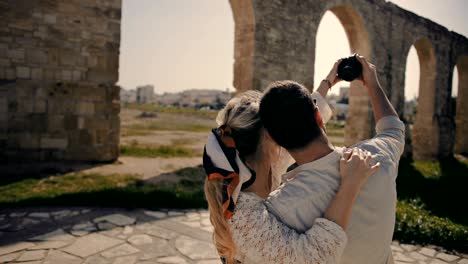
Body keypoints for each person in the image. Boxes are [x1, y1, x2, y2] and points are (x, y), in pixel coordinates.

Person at [203, 89, 380, 263]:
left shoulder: (256, 170)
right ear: (271, 139)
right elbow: (315, 259)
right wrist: (350, 185)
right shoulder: (242, 218)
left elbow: (302, 126)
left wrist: (328, 82)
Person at [260, 55, 405, 264]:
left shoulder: (282, 207)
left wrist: (326, 84)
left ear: (273, 139)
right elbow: (393, 129)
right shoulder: (376, 157)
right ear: (319, 116)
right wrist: (372, 83)